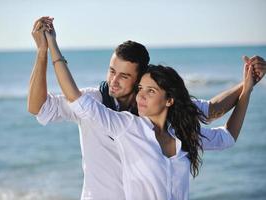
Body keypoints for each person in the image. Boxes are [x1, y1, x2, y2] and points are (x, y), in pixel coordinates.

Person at [27, 17, 266, 199]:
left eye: (123, 76)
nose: (113, 81)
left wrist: (247, 84)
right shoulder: (102, 106)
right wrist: (42, 52)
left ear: (141, 78)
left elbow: (213, 111)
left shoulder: (166, 113)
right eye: (111, 71)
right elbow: (40, 107)